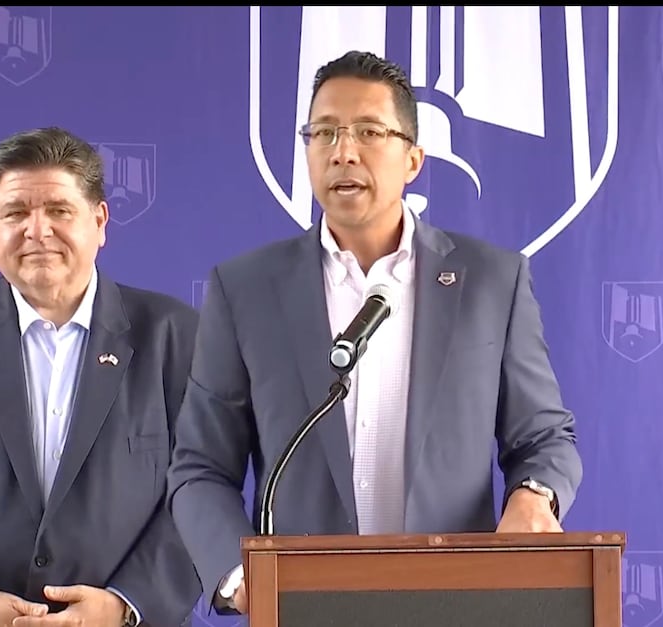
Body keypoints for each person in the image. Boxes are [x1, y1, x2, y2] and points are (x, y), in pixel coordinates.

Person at [166, 50, 583, 616]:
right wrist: (240, 576)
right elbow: (200, 467)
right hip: (304, 609)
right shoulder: (246, 289)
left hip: (458, 603)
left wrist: (535, 496)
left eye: (368, 131)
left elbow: (543, 437)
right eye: (324, 132)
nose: (343, 151)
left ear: (413, 158)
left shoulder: (491, 280)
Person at [0, 127, 201, 627]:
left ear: (100, 221)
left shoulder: (179, 336)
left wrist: (125, 605)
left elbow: (204, 487)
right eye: (15, 213)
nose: (37, 231)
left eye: (59, 210)